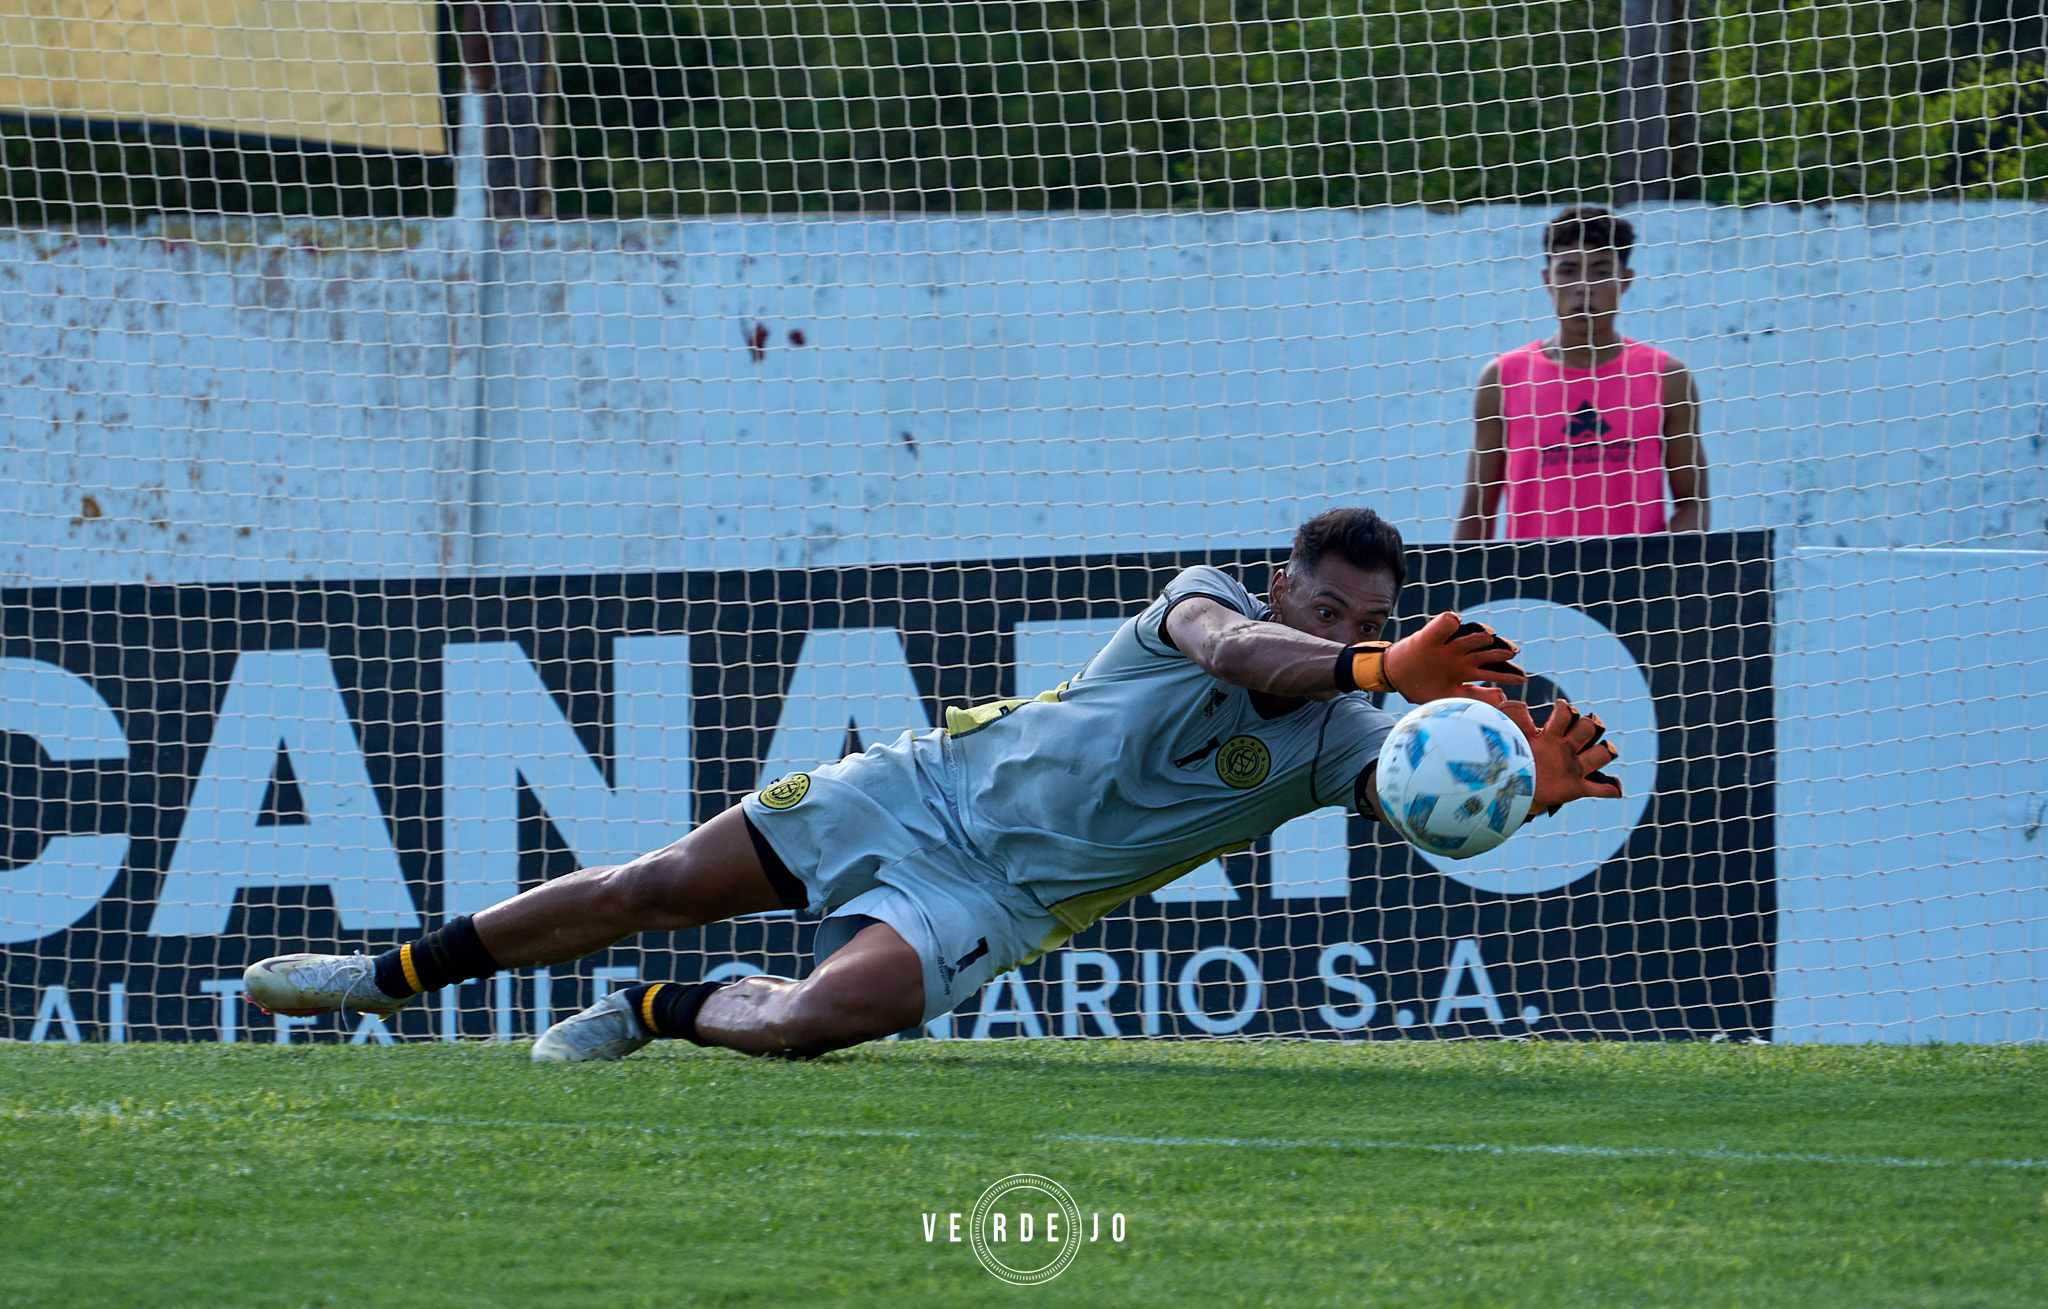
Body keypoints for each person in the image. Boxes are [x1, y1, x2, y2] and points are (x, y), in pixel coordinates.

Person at [245, 508, 1623, 1061]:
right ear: (1285, 586)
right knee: (652, 881)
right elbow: (1237, 651)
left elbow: (1408, 800)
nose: (1338, 633)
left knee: (811, 1023)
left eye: (1364, 621)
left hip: (1002, 901)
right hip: (922, 790)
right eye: (1325, 607)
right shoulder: (1203, 602)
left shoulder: (1347, 735)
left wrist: (1514, 788)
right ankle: (384, 977)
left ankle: (658, 1011)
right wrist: (1376, 664)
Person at [1454, 205, 1709, 540]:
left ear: (1625, 280)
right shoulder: (1503, 377)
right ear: (1548, 280)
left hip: (1637, 574)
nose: (1584, 286)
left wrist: (1653, 563)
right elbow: (1476, 513)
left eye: (1601, 271)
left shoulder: (1667, 377)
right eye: (1569, 271)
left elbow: (1693, 503)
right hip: (1534, 575)